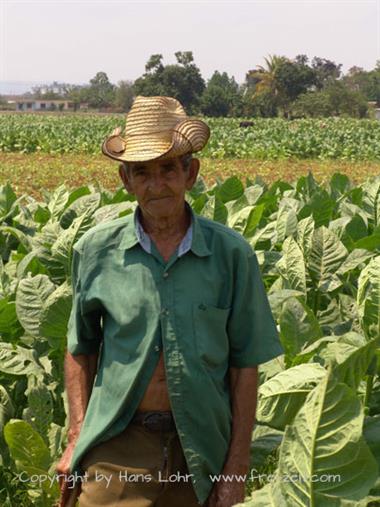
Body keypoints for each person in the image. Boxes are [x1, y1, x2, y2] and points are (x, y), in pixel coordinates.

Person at [56, 96, 284, 507]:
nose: (155, 184)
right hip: (118, 441)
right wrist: (76, 438)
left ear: (190, 172)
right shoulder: (96, 251)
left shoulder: (232, 255)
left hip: (201, 444)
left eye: (167, 169)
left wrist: (235, 470)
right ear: (125, 180)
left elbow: (244, 367)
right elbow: (80, 349)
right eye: (142, 172)